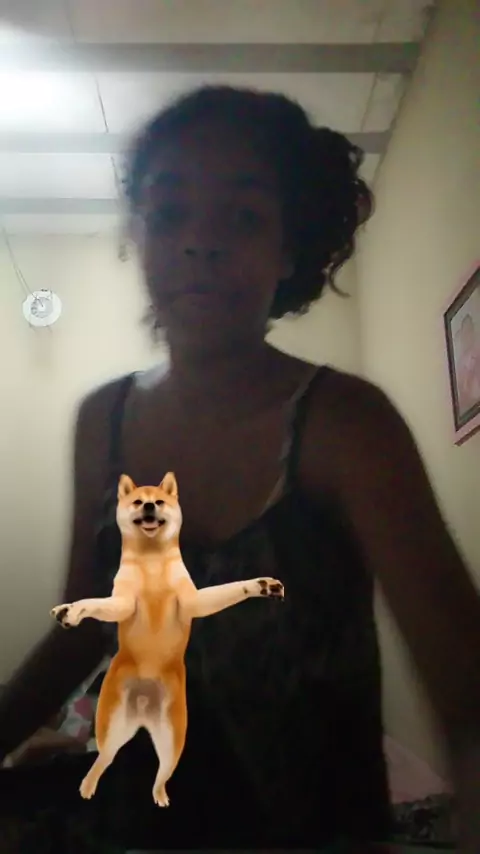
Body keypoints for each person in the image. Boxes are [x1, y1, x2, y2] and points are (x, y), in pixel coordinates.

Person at [0, 85, 479, 852]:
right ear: (138, 235)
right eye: (169, 213)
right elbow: (85, 628)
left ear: (289, 248)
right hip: (140, 826)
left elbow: (464, 689)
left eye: (244, 217)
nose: (201, 241)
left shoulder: (347, 425)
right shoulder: (102, 422)